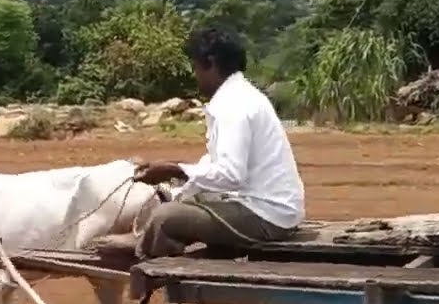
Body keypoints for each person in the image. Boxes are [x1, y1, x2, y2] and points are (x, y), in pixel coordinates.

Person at [104, 26, 306, 259]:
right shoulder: (241, 95)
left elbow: (230, 175)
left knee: (166, 218)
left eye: (196, 67)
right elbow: (216, 164)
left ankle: (147, 253)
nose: (196, 75)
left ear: (210, 63)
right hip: (275, 209)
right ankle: (155, 240)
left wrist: (174, 170)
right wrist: (179, 181)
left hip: (266, 216)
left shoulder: (232, 105)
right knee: (185, 204)